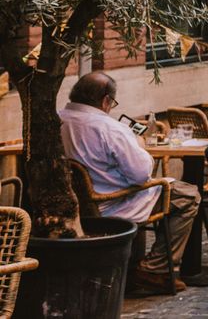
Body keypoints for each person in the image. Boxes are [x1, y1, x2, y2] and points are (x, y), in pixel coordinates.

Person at [61, 72, 199, 292]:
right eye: (111, 103)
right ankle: (155, 270)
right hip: (112, 204)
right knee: (187, 196)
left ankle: (138, 264)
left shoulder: (56, 120)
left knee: (173, 191)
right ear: (106, 100)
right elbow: (140, 175)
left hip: (72, 204)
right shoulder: (109, 128)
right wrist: (139, 144)